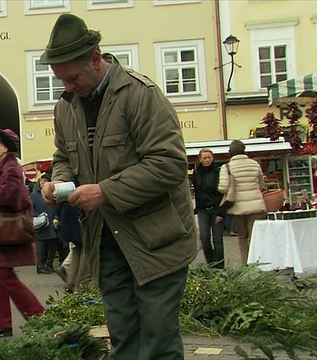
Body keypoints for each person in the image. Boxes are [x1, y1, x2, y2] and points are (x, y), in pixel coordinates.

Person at [39, 14, 197, 359]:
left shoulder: (141, 95)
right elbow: (63, 155)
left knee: (158, 344)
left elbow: (169, 165)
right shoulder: (65, 108)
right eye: (60, 79)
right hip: (106, 242)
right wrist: (60, 180)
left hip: (157, 242)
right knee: (124, 340)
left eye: (72, 77)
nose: (67, 86)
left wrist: (105, 191)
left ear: (96, 59)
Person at [0, 129, 45, 340]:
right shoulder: (1, 167)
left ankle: (39, 316)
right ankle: (1, 324)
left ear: (5, 146)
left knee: (4, 277)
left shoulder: (11, 167)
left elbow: (11, 195)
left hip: (5, 232)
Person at [218, 140, 266, 264]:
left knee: (242, 237)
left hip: (239, 207)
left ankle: (246, 264)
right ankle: (259, 263)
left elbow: (223, 187)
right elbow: (262, 185)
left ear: (230, 152)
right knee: (256, 237)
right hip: (256, 205)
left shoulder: (227, 167)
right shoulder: (255, 164)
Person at [193, 148, 226, 269]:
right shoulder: (197, 173)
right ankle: (211, 264)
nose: (207, 160)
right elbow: (197, 191)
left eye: (209, 157)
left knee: (217, 239)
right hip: (203, 209)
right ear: (200, 159)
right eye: (204, 158)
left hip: (217, 208)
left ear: (213, 158)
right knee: (204, 237)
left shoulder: (218, 171)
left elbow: (222, 193)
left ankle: (220, 266)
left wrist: (221, 212)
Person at [30, 173, 59, 274]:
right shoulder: (33, 195)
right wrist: (37, 216)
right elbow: (30, 209)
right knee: (40, 248)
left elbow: (57, 207)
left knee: (52, 247)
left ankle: (49, 265)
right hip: (40, 225)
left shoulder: (52, 194)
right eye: (41, 180)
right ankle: (40, 266)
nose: (43, 182)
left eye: (45, 181)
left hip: (51, 223)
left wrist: (56, 217)